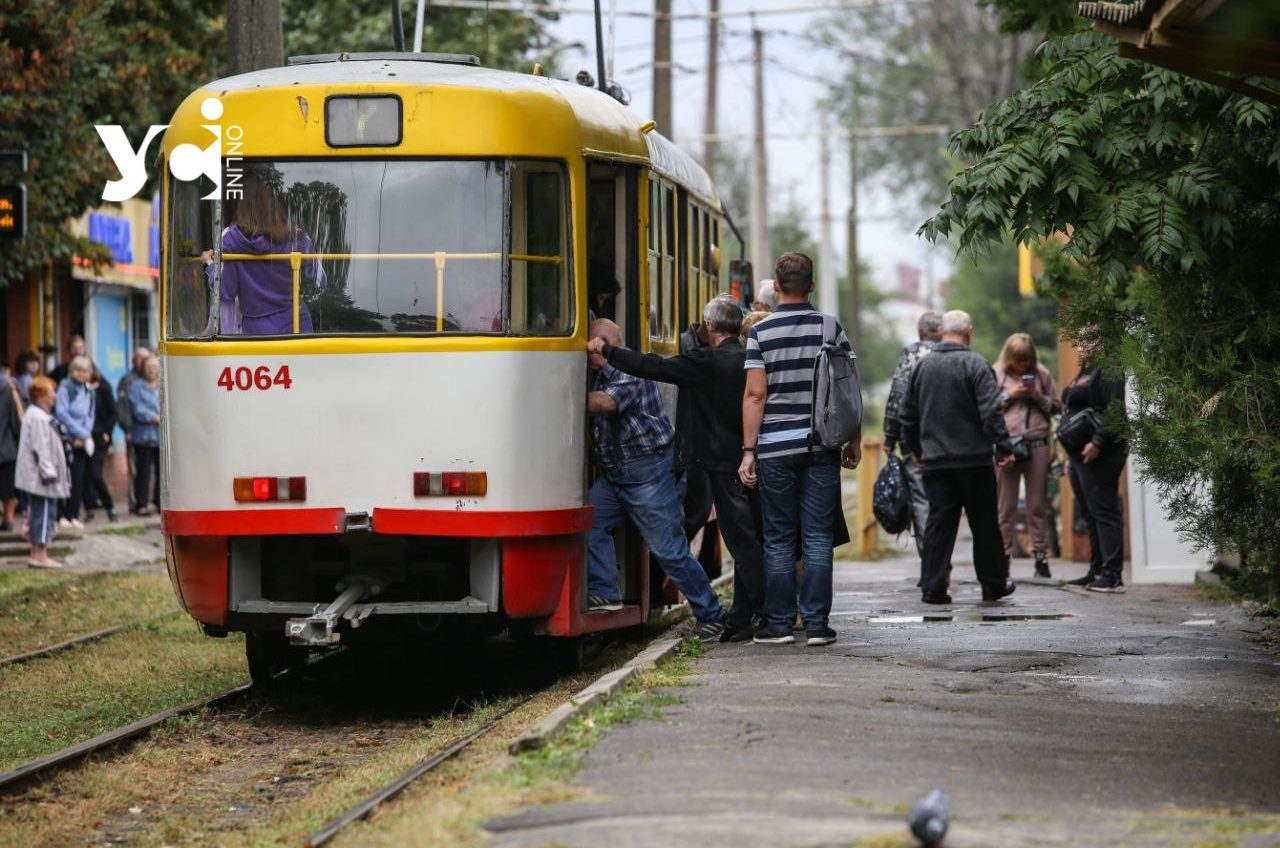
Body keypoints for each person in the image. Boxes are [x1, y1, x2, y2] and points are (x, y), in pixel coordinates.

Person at [588, 296, 766, 642]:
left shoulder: (642, 370)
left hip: (650, 472)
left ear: (709, 327)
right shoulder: (745, 358)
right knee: (593, 520)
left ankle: (717, 614)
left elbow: (618, 395)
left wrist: (558, 390)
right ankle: (605, 591)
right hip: (625, 473)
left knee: (673, 548)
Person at [740, 252, 860, 647]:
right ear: (810, 285)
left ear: (775, 287)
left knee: (778, 538)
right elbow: (846, 387)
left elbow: (756, 395)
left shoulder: (761, 333)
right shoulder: (830, 327)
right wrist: (852, 440)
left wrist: (748, 451)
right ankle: (817, 625)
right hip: (821, 445)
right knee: (818, 537)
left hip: (774, 449)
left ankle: (778, 625)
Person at [901, 310, 1017, 605]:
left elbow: (907, 415)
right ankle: (993, 585)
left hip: (936, 462)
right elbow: (991, 412)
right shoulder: (976, 364)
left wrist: (918, 450)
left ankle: (933, 587)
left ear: (941, 333)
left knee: (939, 524)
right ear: (970, 332)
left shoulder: (922, 367)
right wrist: (1003, 447)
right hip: (974, 461)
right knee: (985, 524)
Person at [201, 177, 323, 336]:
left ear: (242, 207)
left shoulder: (230, 240)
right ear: (275, 206)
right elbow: (319, 282)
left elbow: (225, 290)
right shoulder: (298, 238)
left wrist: (210, 264)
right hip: (298, 326)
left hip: (256, 331)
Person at [1061, 339, 1128, 593]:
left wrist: (1098, 442)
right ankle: (1096, 569)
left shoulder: (1110, 369)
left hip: (1101, 452)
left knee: (1104, 510)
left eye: (1088, 340)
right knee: (1089, 512)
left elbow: (1114, 411)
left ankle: (1112, 574)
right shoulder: (1085, 370)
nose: (1080, 345)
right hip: (1078, 454)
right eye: (1078, 340)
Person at [994, 333, 1060, 578]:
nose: (1022, 365)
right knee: (1005, 508)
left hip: (1037, 445)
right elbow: (986, 407)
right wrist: (1011, 394)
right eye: (1018, 361)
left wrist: (1035, 396)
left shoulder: (1042, 375)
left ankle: (1041, 559)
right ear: (1010, 358)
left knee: (1037, 506)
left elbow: (1056, 408)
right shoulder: (997, 374)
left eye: (1027, 360)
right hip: (1008, 446)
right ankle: (1002, 560)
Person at [883, 311, 944, 566]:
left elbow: (898, 395)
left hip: (914, 439)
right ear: (941, 332)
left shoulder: (911, 353)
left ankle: (931, 564)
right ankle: (943, 561)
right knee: (945, 501)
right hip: (950, 441)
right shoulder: (953, 353)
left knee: (922, 501)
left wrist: (890, 435)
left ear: (920, 333)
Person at [16, 376, 70, 569]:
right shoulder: (37, 417)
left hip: (39, 476)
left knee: (38, 512)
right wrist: (49, 472)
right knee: (44, 513)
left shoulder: (37, 414)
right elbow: (41, 447)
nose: (54, 396)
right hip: (42, 478)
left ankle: (36, 552)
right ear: (40, 396)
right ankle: (40, 555)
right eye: (50, 393)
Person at [54, 355, 94, 528]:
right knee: (65, 477)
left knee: (79, 478)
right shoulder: (65, 387)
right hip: (67, 438)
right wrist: (78, 434)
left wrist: (85, 435)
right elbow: (62, 413)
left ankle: (74, 514)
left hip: (82, 439)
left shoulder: (89, 390)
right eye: (77, 370)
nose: (81, 374)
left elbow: (91, 415)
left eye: (84, 370)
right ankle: (62, 514)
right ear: (72, 371)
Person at [118, 346, 150, 514]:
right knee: (135, 468)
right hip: (134, 431)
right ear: (134, 360)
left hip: (151, 434)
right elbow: (124, 407)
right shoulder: (128, 380)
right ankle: (134, 501)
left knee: (147, 471)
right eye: (140, 358)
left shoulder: (151, 378)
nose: (143, 362)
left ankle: (147, 501)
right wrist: (127, 428)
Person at [127, 357, 162, 516]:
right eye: (148, 366)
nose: (151, 370)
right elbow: (136, 408)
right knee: (143, 471)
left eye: (154, 367)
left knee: (162, 472)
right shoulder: (136, 387)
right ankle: (141, 504)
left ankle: (159, 502)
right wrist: (154, 417)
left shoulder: (164, 385)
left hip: (161, 437)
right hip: (143, 436)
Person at [85, 362, 118, 523]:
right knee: (84, 474)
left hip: (99, 437)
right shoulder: (80, 389)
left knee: (95, 474)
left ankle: (110, 507)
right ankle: (89, 508)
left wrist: (107, 432)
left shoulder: (104, 389)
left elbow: (113, 413)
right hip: (83, 436)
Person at [0, 366, 22, 530]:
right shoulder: (9, 388)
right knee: (9, 487)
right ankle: (8, 518)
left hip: (7, 448)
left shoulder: (10, 388)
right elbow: (16, 422)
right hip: (7, 446)